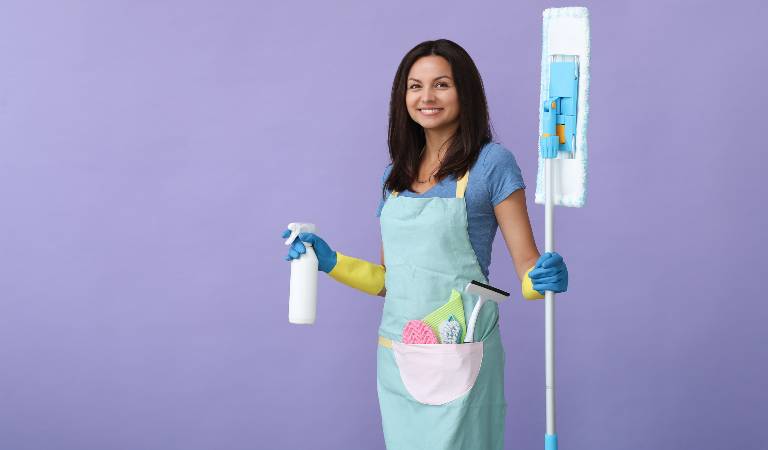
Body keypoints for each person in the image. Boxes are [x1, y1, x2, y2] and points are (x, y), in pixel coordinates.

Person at [282, 39, 568, 450]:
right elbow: (389, 282)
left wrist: (541, 279)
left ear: (465, 92)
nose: (426, 97)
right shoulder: (394, 176)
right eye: (415, 86)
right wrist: (329, 261)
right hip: (398, 355)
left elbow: (527, 269)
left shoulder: (492, 164)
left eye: (441, 85)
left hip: (461, 354)